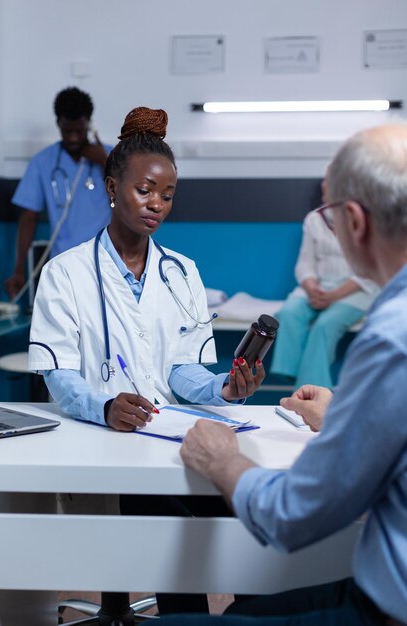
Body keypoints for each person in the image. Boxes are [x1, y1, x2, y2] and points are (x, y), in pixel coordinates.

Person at [160, 124, 407, 625]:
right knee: (249, 604)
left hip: (388, 608)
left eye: (330, 216)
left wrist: (223, 461)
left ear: (354, 221)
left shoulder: (389, 337)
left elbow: (292, 516)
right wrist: (346, 415)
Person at [28, 106, 265, 614]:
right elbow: (59, 376)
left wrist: (223, 388)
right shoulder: (64, 273)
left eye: (167, 194)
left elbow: (183, 371)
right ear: (113, 188)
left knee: (240, 521)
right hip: (102, 437)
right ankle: (188, 617)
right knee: (172, 516)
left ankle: (232, 617)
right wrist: (106, 406)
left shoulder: (183, 273)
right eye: (144, 190)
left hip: (165, 433)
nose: (156, 203)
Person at [270, 175, 379, 389]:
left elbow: (370, 268)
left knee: (324, 326)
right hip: (319, 286)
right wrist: (311, 288)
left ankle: (311, 391)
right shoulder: (314, 219)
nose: (324, 185)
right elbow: (305, 264)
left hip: (359, 288)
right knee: (289, 312)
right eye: (325, 180)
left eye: (331, 179)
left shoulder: (368, 218)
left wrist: (334, 296)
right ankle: (290, 374)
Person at [5, 86, 112, 300]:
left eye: (79, 131)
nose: (73, 138)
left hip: (107, 264)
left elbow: (127, 204)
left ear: (89, 125)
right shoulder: (42, 162)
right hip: (63, 267)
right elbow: (28, 218)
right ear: (58, 125)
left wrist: (104, 163)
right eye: (67, 131)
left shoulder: (111, 157)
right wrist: (18, 270)